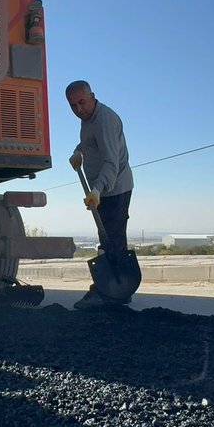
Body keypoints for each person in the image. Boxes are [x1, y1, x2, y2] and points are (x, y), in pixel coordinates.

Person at [65, 80, 135, 310]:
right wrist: (78, 151)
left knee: (111, 238)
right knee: (111, 238)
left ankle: (107, 292)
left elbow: (111, 162)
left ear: (93, 96)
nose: (79, 109)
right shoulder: (88, 119)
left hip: (115, 188)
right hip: (104, 189)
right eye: (73, 105)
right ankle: (119, 290)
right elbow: (89, 141)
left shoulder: (104, 120)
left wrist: (97, 190)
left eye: (82, 102)